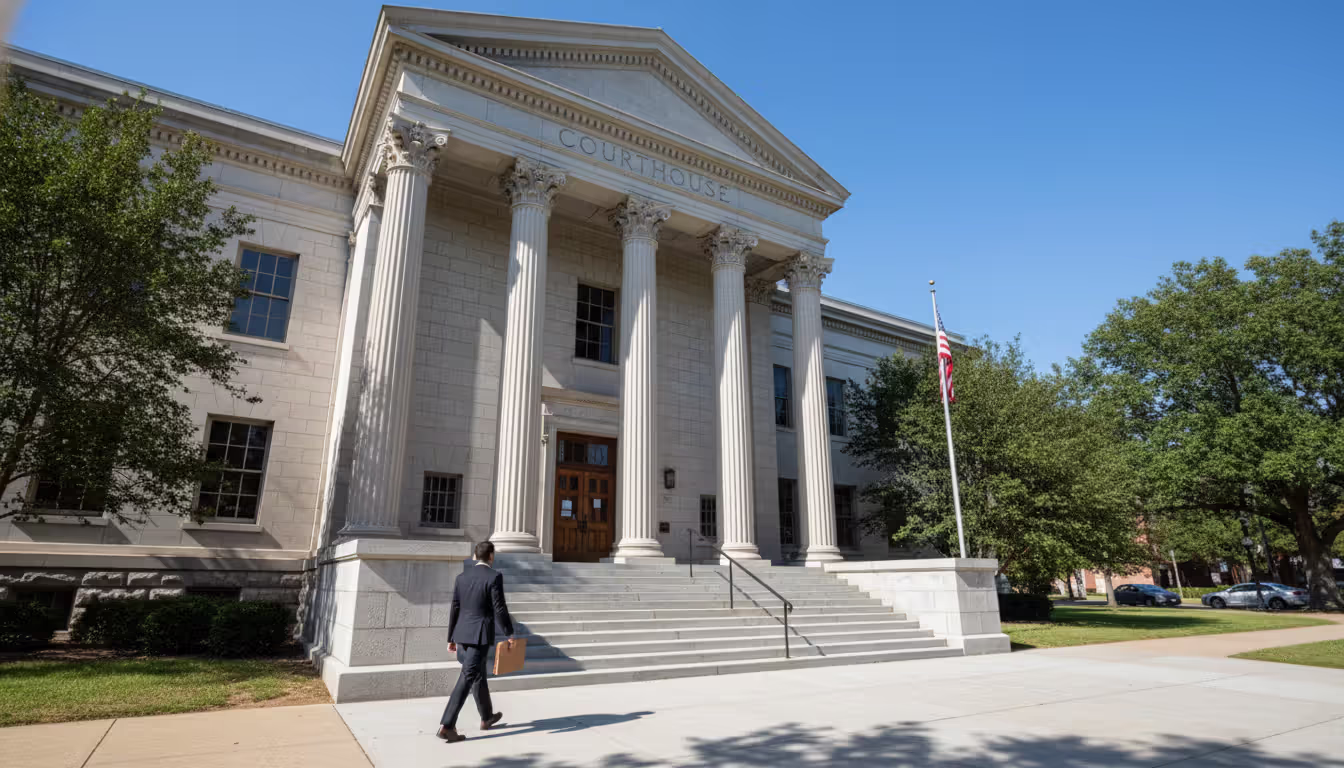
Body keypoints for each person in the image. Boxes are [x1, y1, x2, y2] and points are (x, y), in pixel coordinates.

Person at [438, 540, 515, 743]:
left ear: (475, 556)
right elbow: (499, 608)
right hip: (479, 635)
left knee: (478, 675)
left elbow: (455, 607)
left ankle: (487, 717)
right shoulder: (494, 576)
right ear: (491, 556)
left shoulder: (461, 577)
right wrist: (509, 632)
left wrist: (451, 638)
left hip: (462, 634)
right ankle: (447, 725)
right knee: (468, 677)